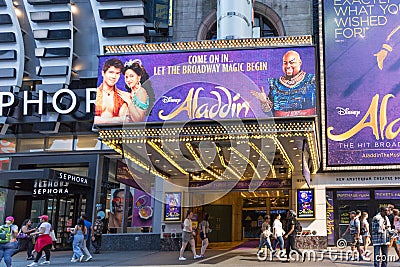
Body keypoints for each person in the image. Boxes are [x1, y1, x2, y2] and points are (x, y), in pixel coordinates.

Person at [251, 50, 316, 117]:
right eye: (285, 63)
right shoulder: (274, 84)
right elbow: (269, 113)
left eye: (291, 63)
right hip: (280, 125)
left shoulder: (312, 80)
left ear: (299, 63)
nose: (288, 66)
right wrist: (264, 101)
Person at [94, 58, 126, 124]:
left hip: (116, 132)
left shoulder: (123, 97)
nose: (114, 76)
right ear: (103, 73)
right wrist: (116, 120)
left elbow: (124, 121)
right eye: (111, 72)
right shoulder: (94, 94)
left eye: (117, 73)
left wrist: (100, 120)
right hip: (93, 132)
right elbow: (91, 120)